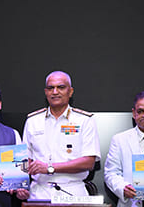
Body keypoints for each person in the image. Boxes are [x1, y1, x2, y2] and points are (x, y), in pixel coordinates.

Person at [23, 71, 101, 200]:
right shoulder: (33, 121)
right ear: (45, 92)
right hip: (39, 192)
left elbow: (89, 162)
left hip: (73, 191)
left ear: (70, 92)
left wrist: (50, 168)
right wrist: (20, 184)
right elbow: (25, 161)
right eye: (50, 88)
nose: (55, 92)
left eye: (61, 87)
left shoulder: (84, 120)